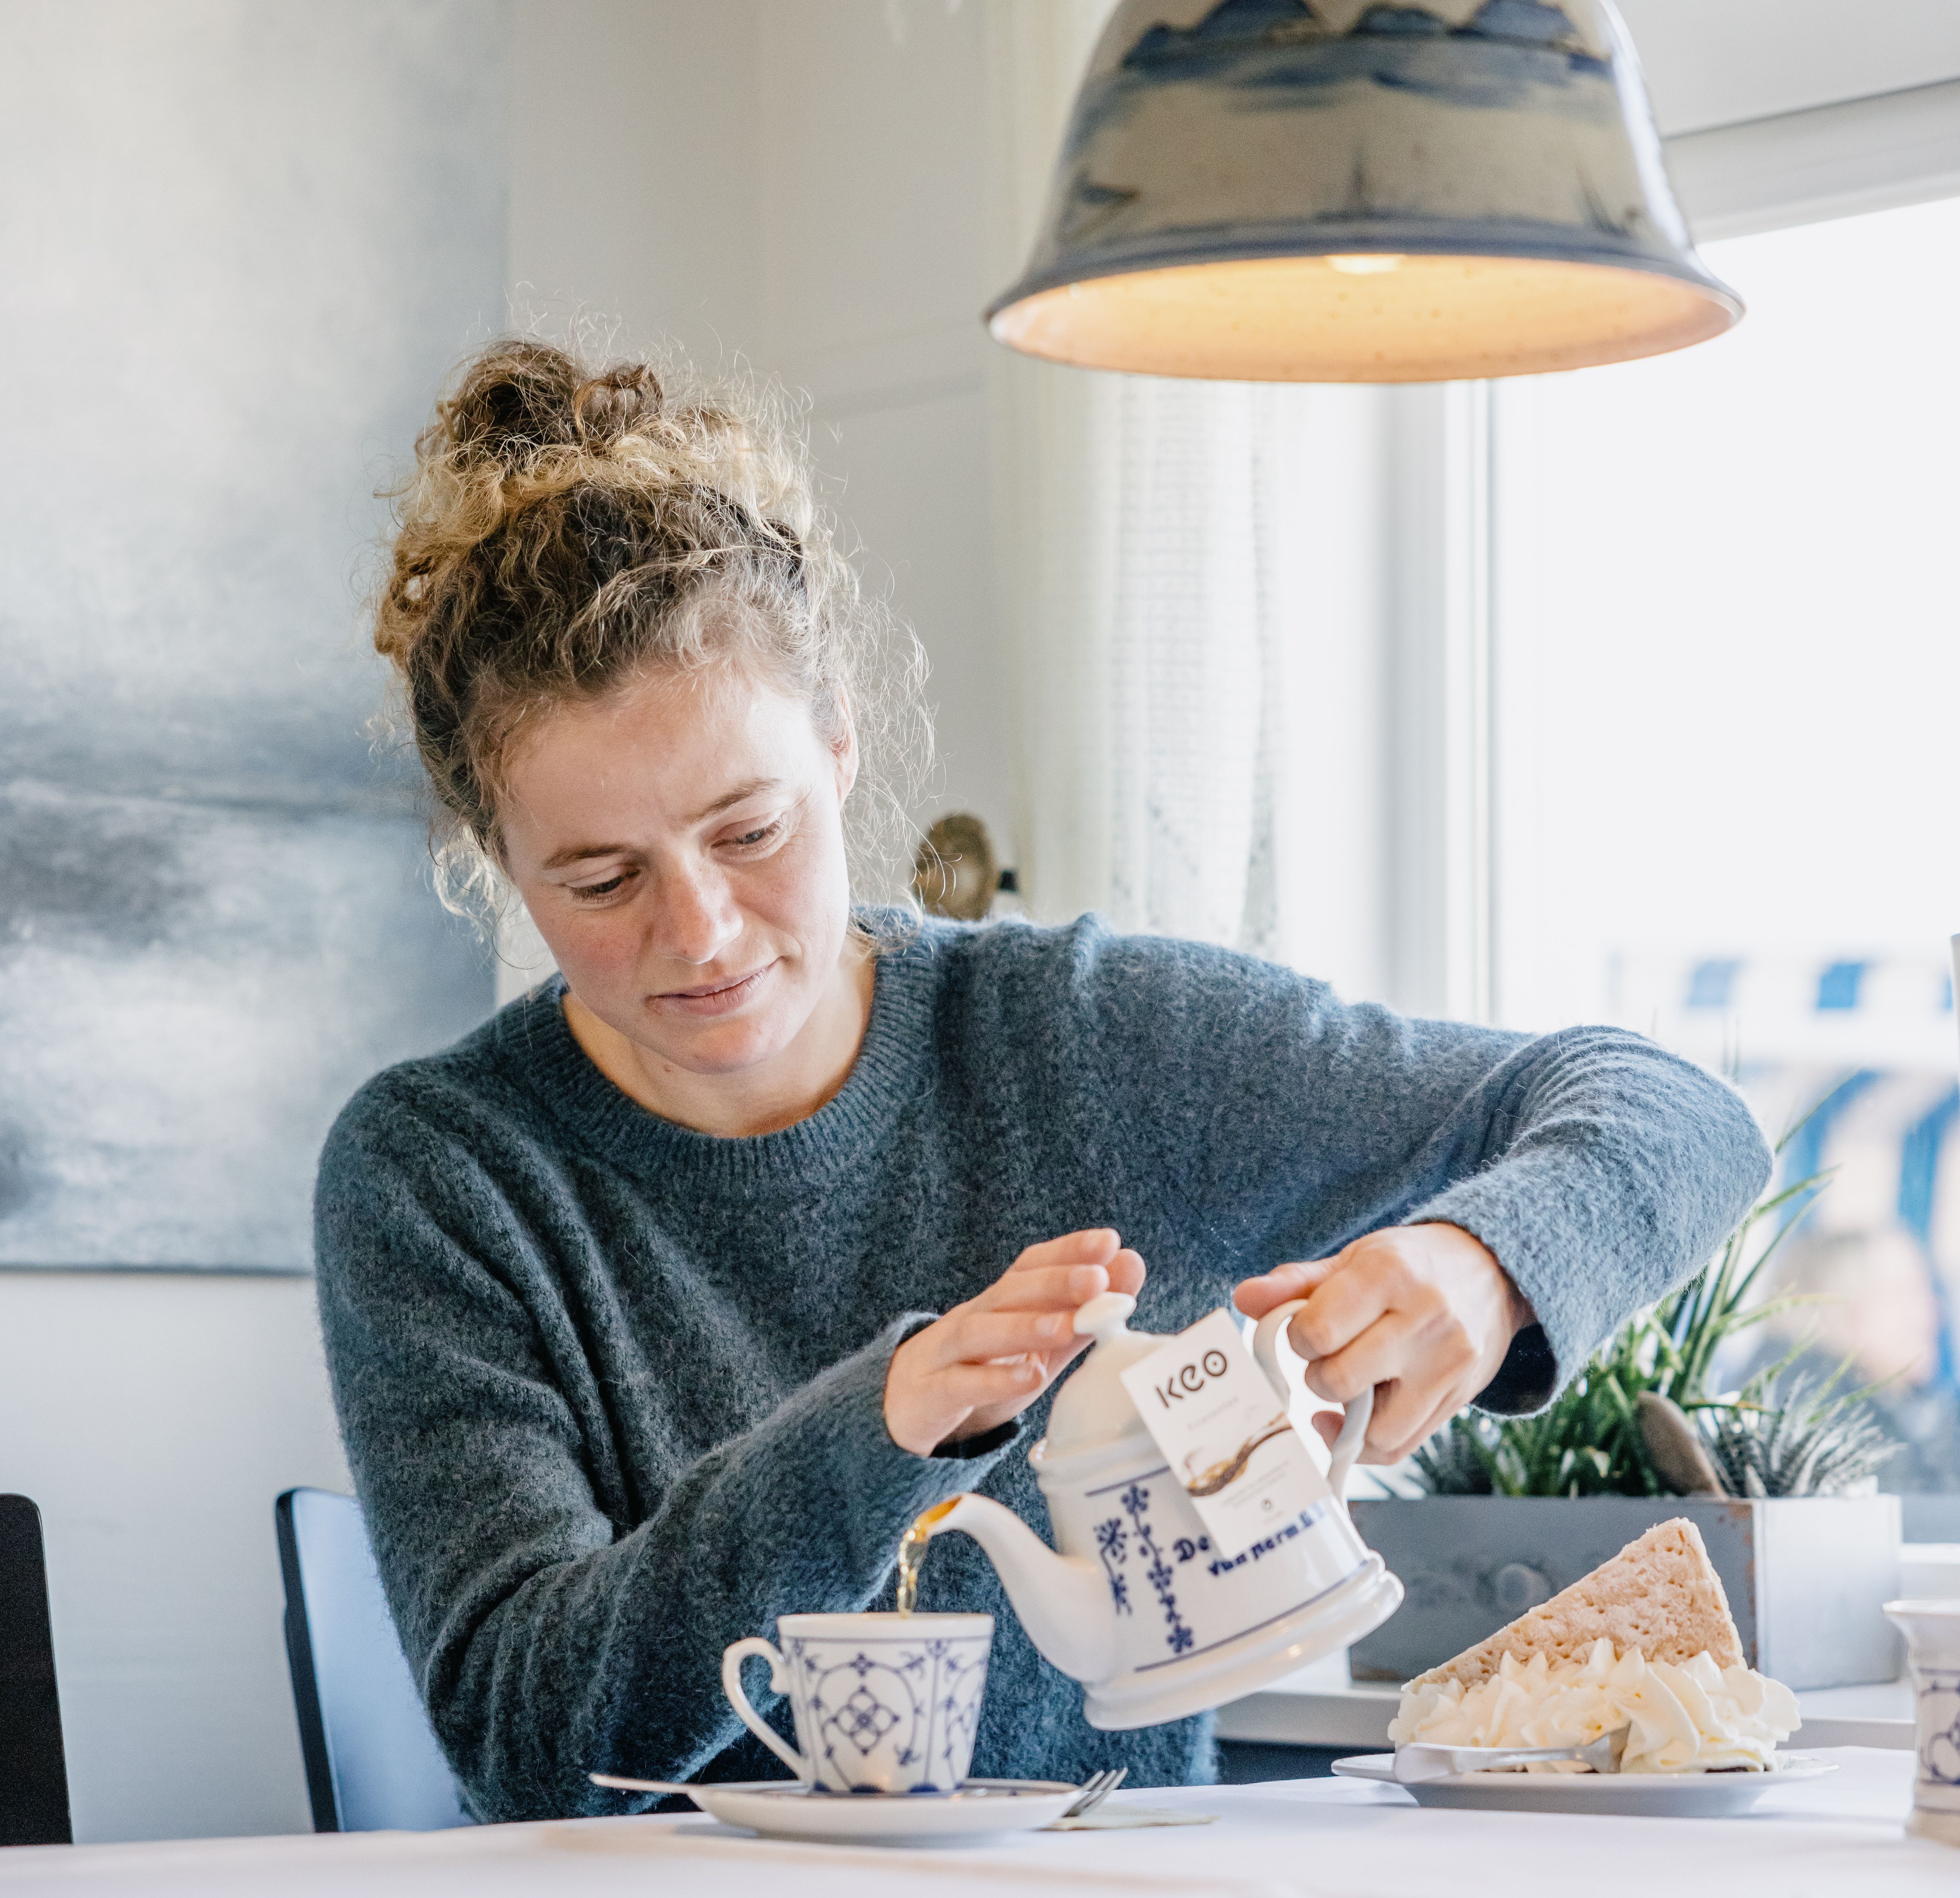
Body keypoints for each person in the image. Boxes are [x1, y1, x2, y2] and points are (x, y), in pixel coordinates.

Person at [315, 339, 1771, 1821]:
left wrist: (1483, 1262)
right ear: (497, 858)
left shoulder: (1080, 1037)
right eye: (601, 877)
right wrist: (881, 1425)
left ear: (838, 746)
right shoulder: (446, 1171)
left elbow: (1676, 1112)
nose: (699, 932)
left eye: (751, 833)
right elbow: (527, 1741)